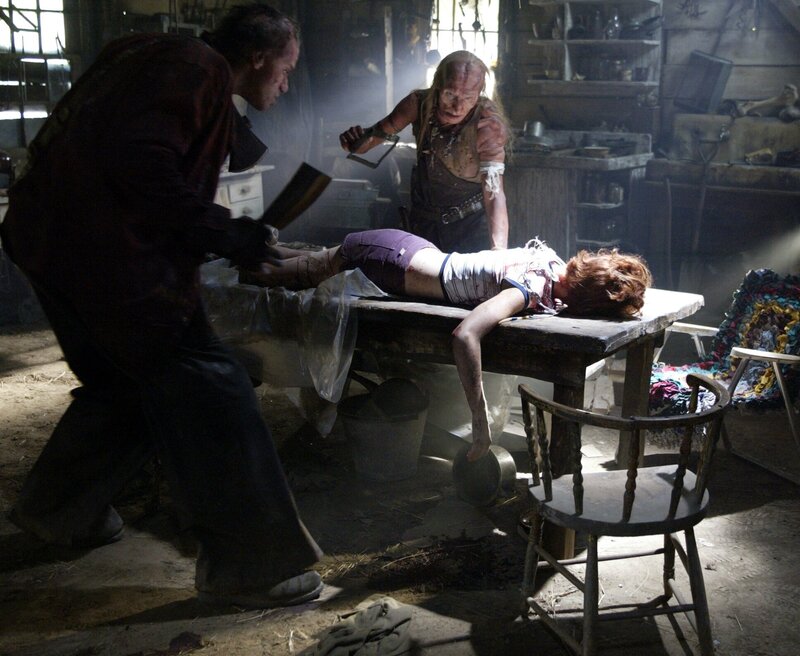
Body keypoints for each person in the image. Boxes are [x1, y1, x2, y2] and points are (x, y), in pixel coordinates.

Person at [0, 5, 325, 609]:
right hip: (104, 252)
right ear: (257, 57)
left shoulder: (148, 52)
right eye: (285, 71)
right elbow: (140, 167)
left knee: (127, 382)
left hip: (46, 239)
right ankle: (253, 566)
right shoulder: (197, 69)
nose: (285, 85)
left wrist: (228, 216)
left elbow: (119, 142)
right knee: (212, 382)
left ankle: (58, 511)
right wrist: (225, 231)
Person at [239, 229, 652, 462]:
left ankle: (250, 247)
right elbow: (465, 335)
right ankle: (228, 256)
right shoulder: (529, 287)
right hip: (390, 261)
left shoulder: (553, 264)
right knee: (271, 276)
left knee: (300, 261)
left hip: (403, 248)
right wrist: (480, 420)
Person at [339, 50, 512, 253]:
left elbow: (494, 193)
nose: (457, 107)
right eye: (450, 94)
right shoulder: (418, 104)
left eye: (468, 97)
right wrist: (355, 143)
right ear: (437, 85)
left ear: (479, 94)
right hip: (424, 223)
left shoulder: (487, 125)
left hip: (470, 227)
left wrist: (498, 251)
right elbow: (371, 139)